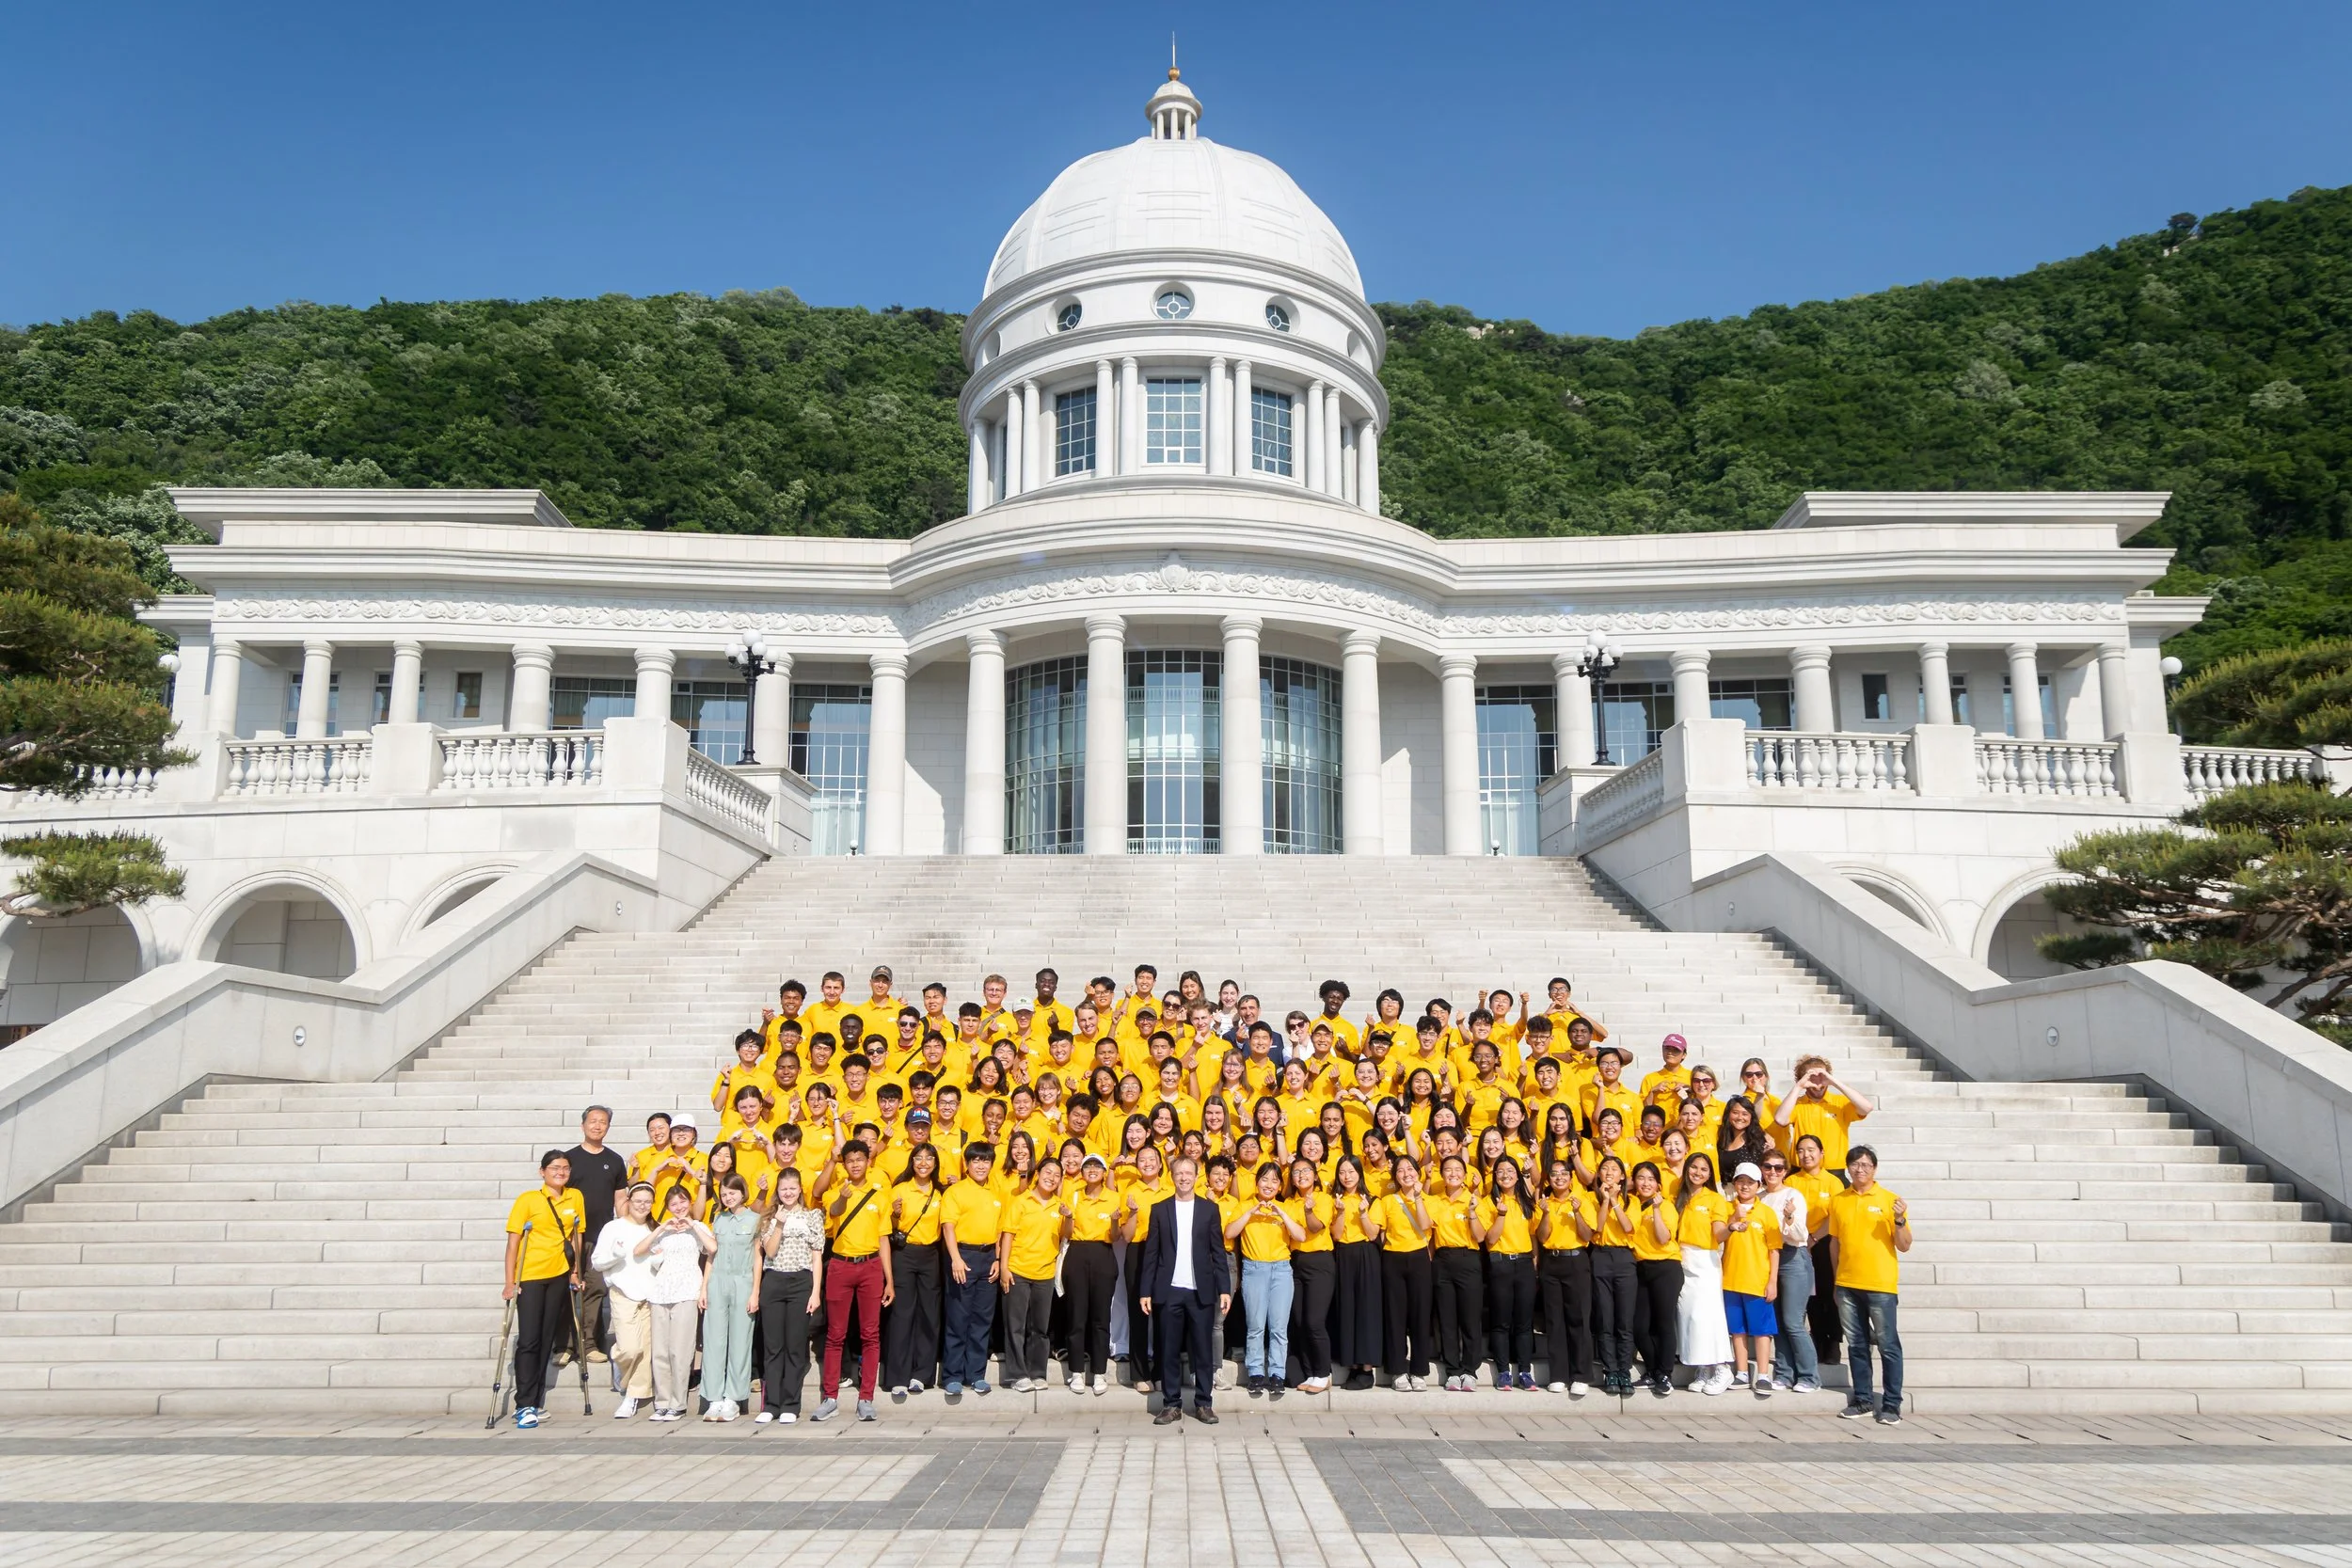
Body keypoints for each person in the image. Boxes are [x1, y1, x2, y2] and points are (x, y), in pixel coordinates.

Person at [1138, 1154, 1233, 1424]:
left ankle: (1204, 1404)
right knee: (1167, 1350)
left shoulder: (1209, 1209)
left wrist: (1224, 1288)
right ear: (1172, 1176)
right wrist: (1145, 1291)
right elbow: (1151, 1254)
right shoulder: (1160, 1209)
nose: (1183, 1178)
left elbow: (1218, 1251)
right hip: (1169, 1290)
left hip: (1200, 1291)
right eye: (1179, 1173)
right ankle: (1171, 1405)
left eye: (1188, 1173)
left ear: (1196, 1176)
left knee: (1202, 1351)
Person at [501, 1149, 586, 1429]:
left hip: (559, 1274)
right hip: (530, 1275)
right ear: (542, 1172)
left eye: (565, 1168)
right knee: (529, 1339)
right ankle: (523, 1403)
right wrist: (510, 1282)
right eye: (554, 1168)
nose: (560, 1172)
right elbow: (513, 1242)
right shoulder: (528, 1199)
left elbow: (577, 1236)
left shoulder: (575, 1197)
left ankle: (535, 1401)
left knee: (547, 1337)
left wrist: (575, 1271)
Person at [1827, 1145, 1911, 1423]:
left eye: (1865, 1165)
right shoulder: (1839, 1200)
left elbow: (1905, 1245)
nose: (1859, 1169)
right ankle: (1862, 1399)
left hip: (1880, 1284)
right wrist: (1837, 1280)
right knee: (1857, 1345)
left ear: (1874, 1169)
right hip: (1847, 1284)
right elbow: (1835, 1243)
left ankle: (1891, 1404)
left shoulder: (1890, 1200)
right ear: (1848, 1168)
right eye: (1854, 1164)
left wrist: (1899, 1220)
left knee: (1888, 1345)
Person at [815, 1138, 895, 1422]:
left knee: (870, 1334)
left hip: (870, 1266)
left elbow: (884, 1240)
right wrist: (843, 1197)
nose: (856, 1164)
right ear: (844, 1165)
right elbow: (834, 1212)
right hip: (841, 1265)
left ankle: (866, 1398)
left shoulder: (880, 1196)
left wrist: (889, 1280)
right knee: (835, 1334)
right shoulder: (835, 1192)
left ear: (868, 1162)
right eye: (850, 1161)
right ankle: (830, 1397)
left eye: (860, 1159)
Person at [561, 1106, 628, 1376]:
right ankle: (565, 1345)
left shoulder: (614, 1160)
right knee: (566, 1291)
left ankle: (589, 1344)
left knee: (596, 1290)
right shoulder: (569, 1158)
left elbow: (620, 1198)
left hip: (601, 1238)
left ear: (608, 1127)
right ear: (583, 1125)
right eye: (593, 1121)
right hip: (570, 1236)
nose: (597, 1126)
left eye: (603, 1122)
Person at [1227, 1162, 1304, 1397]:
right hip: (1254, 1269)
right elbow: (1229, 1233)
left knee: (1279, 1327)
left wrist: (1281, 1213)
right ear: (1256, 1182)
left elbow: (1300, 1235)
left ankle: (1277, 1374)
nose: (1269, 1184)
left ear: (1280, 1185)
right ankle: (1256, 1373)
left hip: (1281, 1270)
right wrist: (1251, 1213)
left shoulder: (1286, 1207)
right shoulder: (1245, 1205)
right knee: (1256, 1326)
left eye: (1274, 1180)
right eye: (1264, 1179)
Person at [755, 1168, 825, 1423]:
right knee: (773, 1347)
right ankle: (771, 1404)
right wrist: (780, 1224)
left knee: (795, 1347)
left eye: (792, 1188)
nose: (788, 1193)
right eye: (784, 1188)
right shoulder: (770, 1217)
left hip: (801, 1282)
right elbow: (770, 1251)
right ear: (777, 1190)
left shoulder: (812, 1216)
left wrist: (815, 1292)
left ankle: (790, 1405)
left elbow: (816, 1257)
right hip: (774, 1280)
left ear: (800, 1189)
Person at [637, 1184, 713, 1422]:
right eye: (673, 1204)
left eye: (682, 1202)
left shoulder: (698, 1227)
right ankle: (662, 1402)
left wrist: (692, 1225)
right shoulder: (664, 1230)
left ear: (690, 1203)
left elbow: (712, 1248)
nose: (678, 1207)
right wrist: (661, 1228)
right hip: (661, 1292)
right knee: (660, 1351)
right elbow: (639, 1250)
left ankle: (678, 1403)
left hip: (687, 1291)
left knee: (680, 1350)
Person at [997, 1157, 1071, 1392]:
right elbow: (1007, 1236)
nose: (1051, 1178)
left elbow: (1066, 1235)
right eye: (1047, 1172)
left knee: (1040, 1327)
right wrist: (1004, 1268)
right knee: (1015, 1326)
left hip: (1045, 1273)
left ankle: (1038, 1372)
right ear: (1037, 1174)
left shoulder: (1059, 1205)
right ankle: (1017, 1375)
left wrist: (1069, 1216)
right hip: (1018, 1271)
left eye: (1057, 1175)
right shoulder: (1021, 1201)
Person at [940, 1142, 1005, 1399]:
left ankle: (976, 1374)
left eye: (985, 1161)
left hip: (988, 1257)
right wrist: (955, 1258)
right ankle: (952, 1376)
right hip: (963, 1255)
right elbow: (948, 1227)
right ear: (967, 1164)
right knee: (958, 1318)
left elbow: (1000, 1231)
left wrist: (997, 1259)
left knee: (982, 1319)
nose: (980, 1165)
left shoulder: (996, 1193)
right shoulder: (955, 1192)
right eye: (975, 1161)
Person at [882, 1140, 946, 1402]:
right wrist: (895, 1215)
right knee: (902, 1314)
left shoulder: (941, 1192)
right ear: (911, 1162)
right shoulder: (899, 1189)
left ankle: (922, 1374)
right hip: (904, 1254)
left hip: (931, 1255)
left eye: (929, 1158)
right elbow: (887, 1226)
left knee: (928, 1314)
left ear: (935, 1163)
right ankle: (898, 1377)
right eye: (918, 1158)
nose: (923, 1163)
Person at [590, 1182, 659, 1418]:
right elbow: (597, 1262)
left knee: (645, 1350)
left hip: (650, 1295)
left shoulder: (654, 1228)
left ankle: (632, 1396)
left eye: (647, 1202)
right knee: (630, 1349)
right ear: (628, 1201)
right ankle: (619, 1361)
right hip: (623, 1293)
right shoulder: (613, 1227)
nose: (642, 1206)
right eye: (638, 1201)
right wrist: (615, 1256)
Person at [698, 1172, 760, 1419]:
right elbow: (711, 1256)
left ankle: (733, 1397)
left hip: (743, 1281)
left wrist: (755, 1292)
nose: (728, 1198)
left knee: (740, 1341)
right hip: (718, 1281)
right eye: (724, 1194)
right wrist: (704, 1287)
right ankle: (713, 1397)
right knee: (713, 1341)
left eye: (732, 1193)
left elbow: (758, 1258)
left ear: (742, 1192)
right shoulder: (718, 1219)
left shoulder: (754, 1219)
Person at [1756, 1150, 1819, 1393]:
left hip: (1793, 1258)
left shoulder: (1793, 1195)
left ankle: (1810, 1376)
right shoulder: (1759, 1197)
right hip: (1768, 1259)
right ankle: (1784, 1374)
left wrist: (1789, 1217)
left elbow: (1801, 1235)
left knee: (1793, 1321)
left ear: (1785, 1171)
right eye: (1768, 1167)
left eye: (1778, 1168)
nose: (1772, 1172)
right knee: (1778, 1322)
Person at [1474, 1155, 1537, 1390]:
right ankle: (1503, 1371)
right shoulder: (1487, 1203)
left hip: (1524, 1263)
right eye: (1500, 1171)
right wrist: (1500, 1215)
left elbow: (1533, 1235)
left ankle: (1525, 1371)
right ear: (1494, 1176)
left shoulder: (1526, 1201)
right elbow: (1489, 1239)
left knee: (1524, 1321)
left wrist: (1535, 1263)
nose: (1505, 1175)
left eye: (1510, 1171)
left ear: (1518, 1175)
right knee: (1501, 1321)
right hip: (1500, 1263)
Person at [1720, 1162, 1782, 1398]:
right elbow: (1718, 1237)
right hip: (1730, 1279)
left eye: (1750, 1182)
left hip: (1757, 1281)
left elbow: (1774, 1250)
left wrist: (1772, 1281)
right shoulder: (1726, 1209)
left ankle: (1763, 1375)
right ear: (1734, 1184)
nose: (1745, 1186)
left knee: (1761, 1330)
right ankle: (1742, 1372)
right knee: (1737, 1330)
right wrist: (1733, 1218)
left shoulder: (1766, 1213)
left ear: (1759, 1185)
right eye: (1741, 1181)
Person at [1374, 1157, 1437, 1391]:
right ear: (1395, 1177)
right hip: (1393, 1259)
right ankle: (1397, 1370)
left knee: (1420, 1316)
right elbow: (1380, 1233)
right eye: (1400, 1170)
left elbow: (1425, 1225)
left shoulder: (1429, 1199)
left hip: (1419, 1257)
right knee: (1395, 1316)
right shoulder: (1387, 1201)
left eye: (1410, 1169)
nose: (1406, 1173)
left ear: (1418, 1172)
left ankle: (1419, 1370)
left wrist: (1418, 1197)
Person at [1674, 1151, 1733, 1395]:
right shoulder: (1679, 1197)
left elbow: (1719, 1233)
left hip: (1705, 1262)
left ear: (1710, 1174)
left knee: (1708, 1316)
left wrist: (1731, 1228)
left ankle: (1722, 1368)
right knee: (1688, 1317)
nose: (1698, 1173)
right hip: (1682, 1259)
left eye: (1704, 1169)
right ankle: (1703, 1368)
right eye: (1694, 1167)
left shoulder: (1715, 1199)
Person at [1061, 1153, 1121, 1395]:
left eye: (1097, 1166)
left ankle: (1099, 1372)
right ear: (1082, 1172)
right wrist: (1068, 1217)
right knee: (1077, 1315)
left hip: (1103, 1254)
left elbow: (1115, 1236)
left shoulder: (1114, 1197)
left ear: (1105, 1172)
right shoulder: (1073, 1195)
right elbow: (1066, 1233)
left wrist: (1115, 1221)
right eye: (1088, 1166)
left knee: (1100, 1317)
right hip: (1077, 1253)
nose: (1092, 1170)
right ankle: (1076, 1371)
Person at [1425, 1154, 1484, 1391]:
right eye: (1448, 1169)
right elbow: (1429, 1234)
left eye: (1458, 1169)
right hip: (1442, 1259)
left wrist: (1472, 1212)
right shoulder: (1435, 1201)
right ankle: (1453, 1370)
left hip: (1468, 1258)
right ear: (1441, 1175)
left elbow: (1480, 1236)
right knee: (1447, 1319)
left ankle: (1470, 1370)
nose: (1453, 1173)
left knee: (1470, 1318)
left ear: (1466, 1174)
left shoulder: (1475, 1200)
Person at [1534, 1157, 1591, 1395]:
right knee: (1554, 1320)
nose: (1559, 1178)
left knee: (1578, 1319)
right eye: (1554, 1174)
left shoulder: (1582, 1200)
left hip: (1575, 1260)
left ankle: (1580, 1375)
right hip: (1552, 1261)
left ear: (1571, 1177)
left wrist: (1577, 1212)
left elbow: (1587, 1235)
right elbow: (1542, 1237)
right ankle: (1558, 1375)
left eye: (1563, 1173)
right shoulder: (1543, 1203)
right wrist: (1546, 1214)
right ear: (1549, 1179)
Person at [1327, 1155, 1383, 1390]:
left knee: (1367, 1310)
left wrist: (1363, 1213)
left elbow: (1372, 1234)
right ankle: (1352, 1365)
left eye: (1351, 1171)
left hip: (1366, 1254)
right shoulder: (1334, 1200)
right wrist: (1340, 1212)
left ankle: (1367, 1369)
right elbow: (1336, 1235)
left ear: (1360, 1173)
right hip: (1343, 1254)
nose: (1346, 1176)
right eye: (1342, 1172)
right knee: (1347, 1308)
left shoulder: (1373, 1199)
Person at [1627, 1159, 1681, 1396]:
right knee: (1639, 1326)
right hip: (1641, 1267)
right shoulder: (1632, 1205)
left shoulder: (1665, 1206)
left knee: (1663, 1323)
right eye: (1641, 1178)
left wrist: (1657, 1210)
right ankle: (1651, 1369)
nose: (1646, 1183)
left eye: (1651, 1179)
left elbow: (1663, 1238)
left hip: (1666, 1267)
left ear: (1659, 1184)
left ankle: (1665, 1374)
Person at [1586, 1155, 1638, 1397]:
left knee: (1624, 1320)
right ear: (1598, 1175)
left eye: (1614, 1169)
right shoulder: (1590, 1198)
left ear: (1622, 1176)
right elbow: (1597, 1227)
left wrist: (1615, 1200)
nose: (1609, 1172)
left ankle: (1624, 1370)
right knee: (1605, 1318)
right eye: (1604, 1168)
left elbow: (1628, 1227)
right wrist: (1605, 1200)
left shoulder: (1632, 1200)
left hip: (1624, 1258)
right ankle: (1611, 1369)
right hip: (1600, 1255)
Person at [1284, 1157, 1336, 1393]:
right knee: (1300, 1321)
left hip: (1319, 1263)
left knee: (1315, 1321)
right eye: (1296, 1172)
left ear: (1315, 1175)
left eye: (1306, 1170)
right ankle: (1310, 1372)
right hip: (1296, 1263)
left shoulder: (1323, 1198)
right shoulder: (1288, 1202)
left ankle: (1324, 1373)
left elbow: (1315, 1228)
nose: (1301, 1175)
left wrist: (1308, 1211)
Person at [1776, 1055, 1874, 1178]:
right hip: (1801, 1172)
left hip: (1834, 1173)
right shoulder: (1796, 1103)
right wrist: (1798, 1086)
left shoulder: (1840, 1103)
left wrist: (1834, 1082)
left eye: (1822, 1076)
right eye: (1812, 1078)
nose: (1818, 1084)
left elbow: (1867, 1108)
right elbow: (1780, 1119)